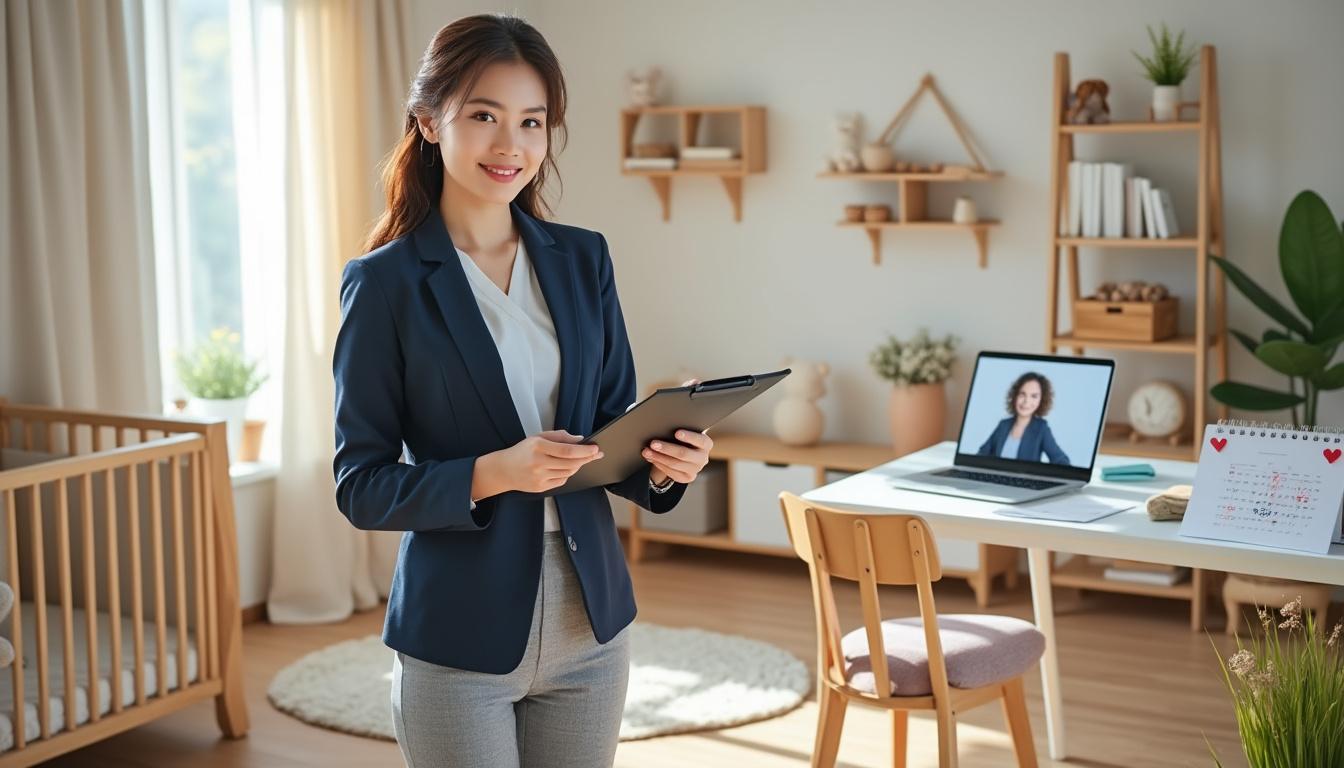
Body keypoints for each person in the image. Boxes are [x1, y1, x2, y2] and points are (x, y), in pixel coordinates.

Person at [331, 14, 711, 768]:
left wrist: (669, 464)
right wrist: (493, 472)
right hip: (457, 631)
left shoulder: (583, 259)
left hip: (591, 625)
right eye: (484, 116)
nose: (511, 145)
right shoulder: (384, 284)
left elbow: (610, 429)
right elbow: (361, 486)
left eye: (531, 122)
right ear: (429, 123)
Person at [977, 372, 1070, 464]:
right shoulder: (1003, 425)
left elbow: (1060, 460)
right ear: (1015, 396)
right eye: (1022, 394)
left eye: (1034, 396)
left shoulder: (1041, 428)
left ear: (1041, 400)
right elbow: (982, 453)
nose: (1026, 401)